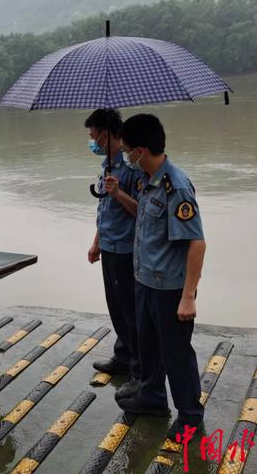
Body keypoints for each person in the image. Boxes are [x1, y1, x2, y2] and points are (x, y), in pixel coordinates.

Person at [118, 113, 206, 439]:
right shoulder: (147, 181)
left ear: (141, 149)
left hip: (169, 288)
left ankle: (190, 418)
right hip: (146, 281)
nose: (126, 156)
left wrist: (188, 295)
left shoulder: (176, 187)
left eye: (128, 150)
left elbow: (196, 243)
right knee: (149, 348)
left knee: (176, 354)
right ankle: (152, 397)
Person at [85, 109, 141, 400]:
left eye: (94, 136)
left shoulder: (132, 169)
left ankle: (138, 370)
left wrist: (119, 193)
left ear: (106, 134)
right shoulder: (107, 167)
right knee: (116, 307)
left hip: (126, 251)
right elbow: (103, 209)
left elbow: (143, 212)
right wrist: (96, 242)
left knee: (131, 312)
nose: (92, 142)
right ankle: (122, 357)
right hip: (108, 247)